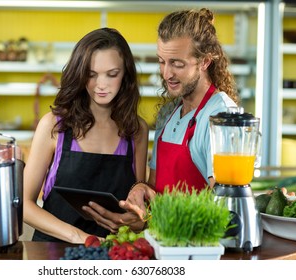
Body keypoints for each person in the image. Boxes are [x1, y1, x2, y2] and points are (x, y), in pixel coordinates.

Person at [23, 27, 149, 243]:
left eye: (112, 74)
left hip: (113, 254)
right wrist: (81, 237)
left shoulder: (136, 131)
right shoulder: (54, 126)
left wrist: (139, 221)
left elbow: (135, 208)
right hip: (52, 254)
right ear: (80, 74)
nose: (101, 85)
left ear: (125, 75)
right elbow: (24, 205)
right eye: (91, 75)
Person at [120, 8, 240, 218]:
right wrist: (141, 192)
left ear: (205, 62)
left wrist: (170, 217)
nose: (167, 74)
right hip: (164, 240)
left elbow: (225, 206)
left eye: (177, 64)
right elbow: (155, 189)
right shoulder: (168, 113)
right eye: (161, 61)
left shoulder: (222, 116)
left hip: (199, 245)